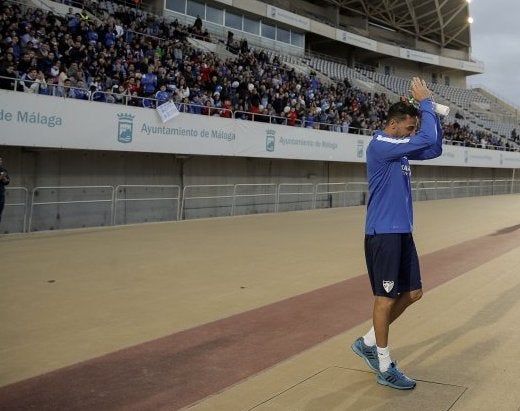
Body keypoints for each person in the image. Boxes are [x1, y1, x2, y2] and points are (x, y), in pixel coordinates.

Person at [351, 77, 443, 390]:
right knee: (385, 299)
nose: (412, 134)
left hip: (402, 232)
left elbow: (434, 148)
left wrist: (427, 113)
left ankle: (366, 342)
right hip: (384, 234)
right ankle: (384, 364)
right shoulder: (381, 146)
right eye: (408, 129)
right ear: (393, 124)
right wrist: (426, 103)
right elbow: (426, 138)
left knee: (413, 293)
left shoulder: (399, 149)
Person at [0, 155, 11, 224]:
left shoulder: (3, 170)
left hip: (0, 194)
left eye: (0, 160)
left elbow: (7, 181)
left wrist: (5, 180)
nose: (0, 161)